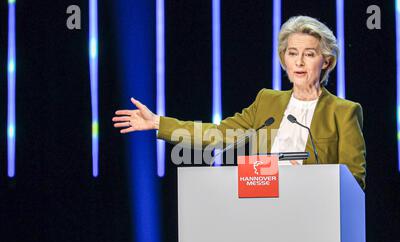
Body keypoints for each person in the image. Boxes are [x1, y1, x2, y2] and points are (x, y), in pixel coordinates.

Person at [112, 15, 366, 189]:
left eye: (309, 54)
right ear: (283, 60)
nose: (299, 62)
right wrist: (158, 122)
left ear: (327, 61)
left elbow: (354, 180)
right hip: (262, 207)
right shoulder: (267, 101)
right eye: (292, 53)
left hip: (315, 215)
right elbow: (220, 134)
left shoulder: (344, 112)